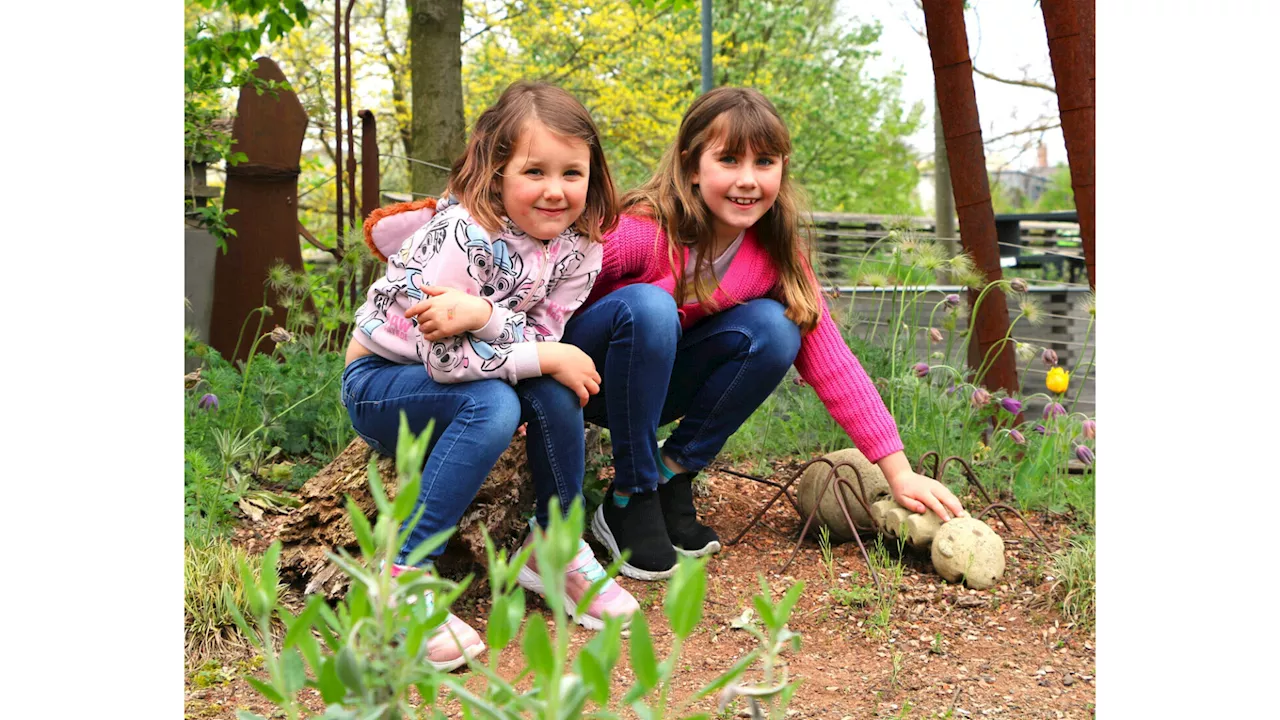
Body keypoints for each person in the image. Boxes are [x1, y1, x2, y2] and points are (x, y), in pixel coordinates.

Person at [561, 87, 967, 581]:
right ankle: (632, 489)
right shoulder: (644, 231)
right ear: (692, 165)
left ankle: (670, 475)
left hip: (652, 392)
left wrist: (897, 471)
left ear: (782, 168)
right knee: (649, 305)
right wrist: (524, 377)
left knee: (778, 329)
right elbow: (545, 290)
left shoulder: (771, 255)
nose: (748, 180)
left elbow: (832, 361)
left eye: (765, 162)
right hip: (579, 379)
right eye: (728, 160)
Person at [342, 81, 639, 670]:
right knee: (497, 405)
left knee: (554, 384)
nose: (556, 191)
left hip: (473, 374)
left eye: (572, 173)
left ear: (593, 175)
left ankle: (554, 546)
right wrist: (526, 344)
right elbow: (446, 361)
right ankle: (403, 578)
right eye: (535, 171)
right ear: (498, 170)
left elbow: (539, 339)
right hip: (384, 383)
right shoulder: (465, 236)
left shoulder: (581, 248)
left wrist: (493, 321)